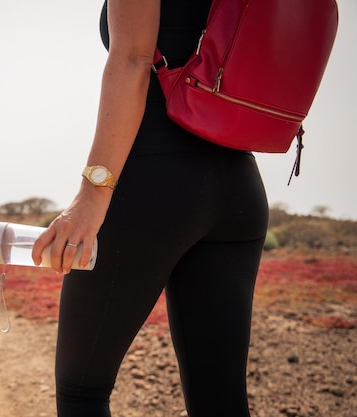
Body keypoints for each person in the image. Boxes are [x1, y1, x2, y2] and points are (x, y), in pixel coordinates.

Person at [31, 0, 269, 416]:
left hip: (153, 181)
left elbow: (134, 57)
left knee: (82, 394)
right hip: (238, 188)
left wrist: (91, 195)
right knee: (220, 399)